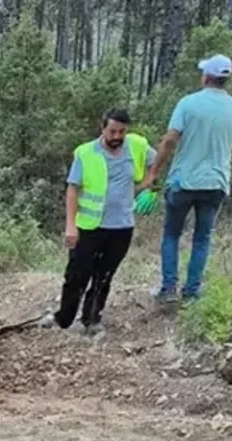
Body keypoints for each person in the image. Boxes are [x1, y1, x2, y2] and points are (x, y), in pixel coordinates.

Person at [138, 54, 232, 304]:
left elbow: (169, 141)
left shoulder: (187, 104)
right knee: (202, 238)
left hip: (183, 181)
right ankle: (191, 292)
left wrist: (154, 172)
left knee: (171, 234)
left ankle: (168, 290)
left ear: (207, 77)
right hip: (216, 183)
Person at [41, 107, 155, 336]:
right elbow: (72, 189)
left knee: (104, 276)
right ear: (103, 129)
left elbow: (158, 157)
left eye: (122, 131)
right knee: (76, 274)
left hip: (122, 227)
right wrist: (70, 226)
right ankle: (63, 318)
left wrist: (150, 183)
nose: (117, 136)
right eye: (112, 131)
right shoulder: (85, 153)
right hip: (89, 226)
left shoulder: (136, 145)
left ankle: (92, 319)